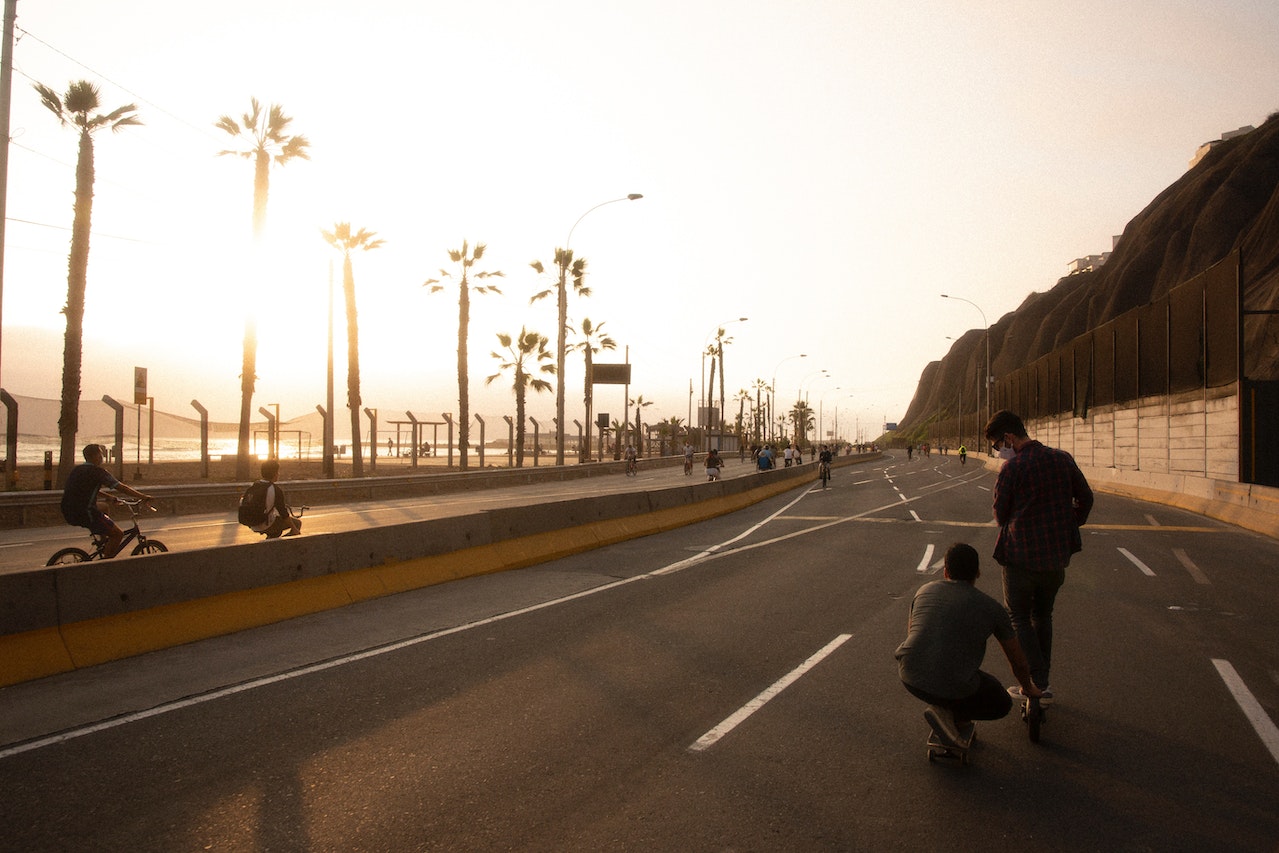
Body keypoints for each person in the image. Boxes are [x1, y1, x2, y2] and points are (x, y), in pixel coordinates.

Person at [985, 409, 1094, 703]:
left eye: (997, 446)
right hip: (1056, 559)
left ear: (1008, 437)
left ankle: (1034, 681)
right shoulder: (1062, 459)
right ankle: (1042, 681)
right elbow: (1086, 498)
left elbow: (999, 514)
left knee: (1019, 617)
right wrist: (1070, 522)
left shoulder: (1012, 470)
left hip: (1020, 558)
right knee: (1043, 615)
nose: (998, 452)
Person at [895, 542, 1041, 746]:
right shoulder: (992, 608)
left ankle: (947, 712)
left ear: (946, 572)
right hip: (952, 683)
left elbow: (915, 634)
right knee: (1001, 702)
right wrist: (1028, 688)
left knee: (953, 675)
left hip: (910, 675)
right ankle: (951, 714)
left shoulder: (925, 590)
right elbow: (1017, 661)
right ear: (978, 572)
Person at [60, 443, 153, 558]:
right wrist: (143, 496)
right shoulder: (98, 472)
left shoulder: (77, 470)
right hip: (85, 512)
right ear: (96, 456)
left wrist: (109, 497)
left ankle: (103, 541)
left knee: (104, 507)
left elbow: (86, 489)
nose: (102, 457)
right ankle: (106, 564)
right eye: (100, 454)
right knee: (118, 534)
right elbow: (121, 487)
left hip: (68, 510)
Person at [248, 458, 303, 538]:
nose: (278, 474)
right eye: (277, 472)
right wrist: (294, 529)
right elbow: (283, 513)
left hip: (252, 523)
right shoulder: (275, 489)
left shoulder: (255, 485)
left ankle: (270, 543)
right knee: (297, 523)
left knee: (276, 531)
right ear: (275, 473)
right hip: (265, 523)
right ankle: (281, 546)